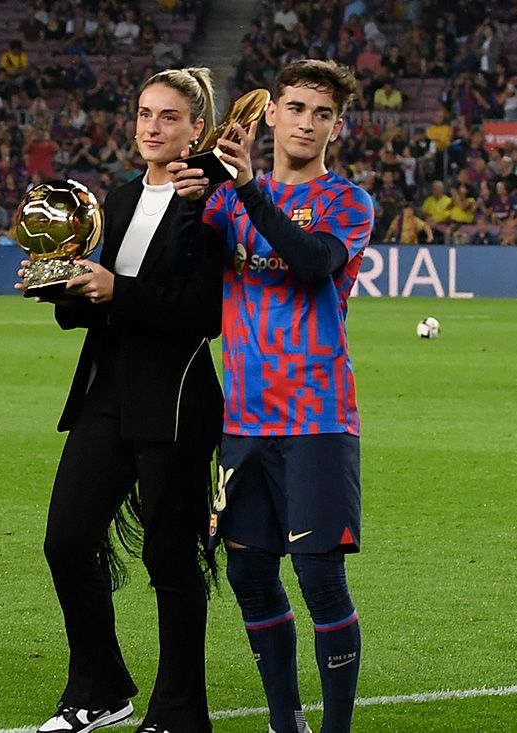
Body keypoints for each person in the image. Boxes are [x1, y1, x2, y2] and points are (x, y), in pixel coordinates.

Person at [171, 58, 374, 733]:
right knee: (250, 576)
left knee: (320, 579)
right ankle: (285, 724)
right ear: (273, 114)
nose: (306, 123)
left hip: (317, 419)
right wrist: (187, 197)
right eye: (296, 108)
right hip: (245, 423)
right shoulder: (228, 203)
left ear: (336, 128)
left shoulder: (348, 201)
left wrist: (250, 187)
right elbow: (182, 271)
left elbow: (313, 262)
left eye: (321, 114)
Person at [21, 67, 225, 733]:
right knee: (67, 539)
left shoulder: (212, 200)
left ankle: (179, 713)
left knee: (171, 556)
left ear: (197, 129)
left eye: (168, 117)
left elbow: (205, 312)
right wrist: (62, 284)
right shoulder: (117, 193)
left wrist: (115, 291)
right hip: (108, 388)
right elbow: (102, 301)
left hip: (175, 395)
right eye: (144, 113)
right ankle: (100, 686)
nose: (151, 127)